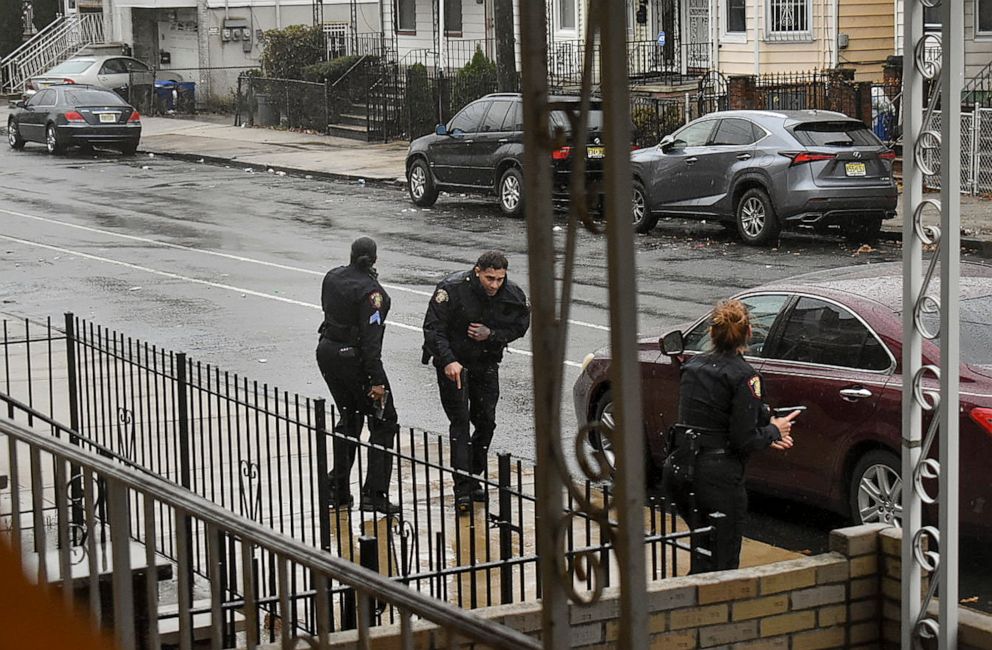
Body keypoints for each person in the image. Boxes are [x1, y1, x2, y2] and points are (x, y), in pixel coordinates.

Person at [662, 298, 798, 573]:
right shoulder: (745, 376)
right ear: (749, 334)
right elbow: (743, 439)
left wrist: (768, 428)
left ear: (712, 333)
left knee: (703, 548)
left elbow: (714, 414)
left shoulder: (693, 366)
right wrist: (774, 430)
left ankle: (694, 600)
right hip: (718, 479)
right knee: (722, 560)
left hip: (681, 468)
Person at [422, 251, 531, 513]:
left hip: (485, 363)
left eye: (499, 279)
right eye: (489, 278)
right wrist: (447, 360)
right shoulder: (452, 289)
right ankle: (462, 489)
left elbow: (520, 326)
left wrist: (492, 334)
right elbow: (433, 329)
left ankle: (472, 472)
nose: (494, 285)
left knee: (486, 421)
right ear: (478, 271)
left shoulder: (512, 294)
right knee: (459, 422)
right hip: (454, 365)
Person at [316, 237, 400, 515]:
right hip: (354, 359)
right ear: (374, 259)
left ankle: (337, 488)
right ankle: (374, 493)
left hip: (327, 351)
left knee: (350, 417)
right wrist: (376, 380)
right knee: (384, 422)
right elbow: (371, 342)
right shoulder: (373, 293)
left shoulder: (333, 277)